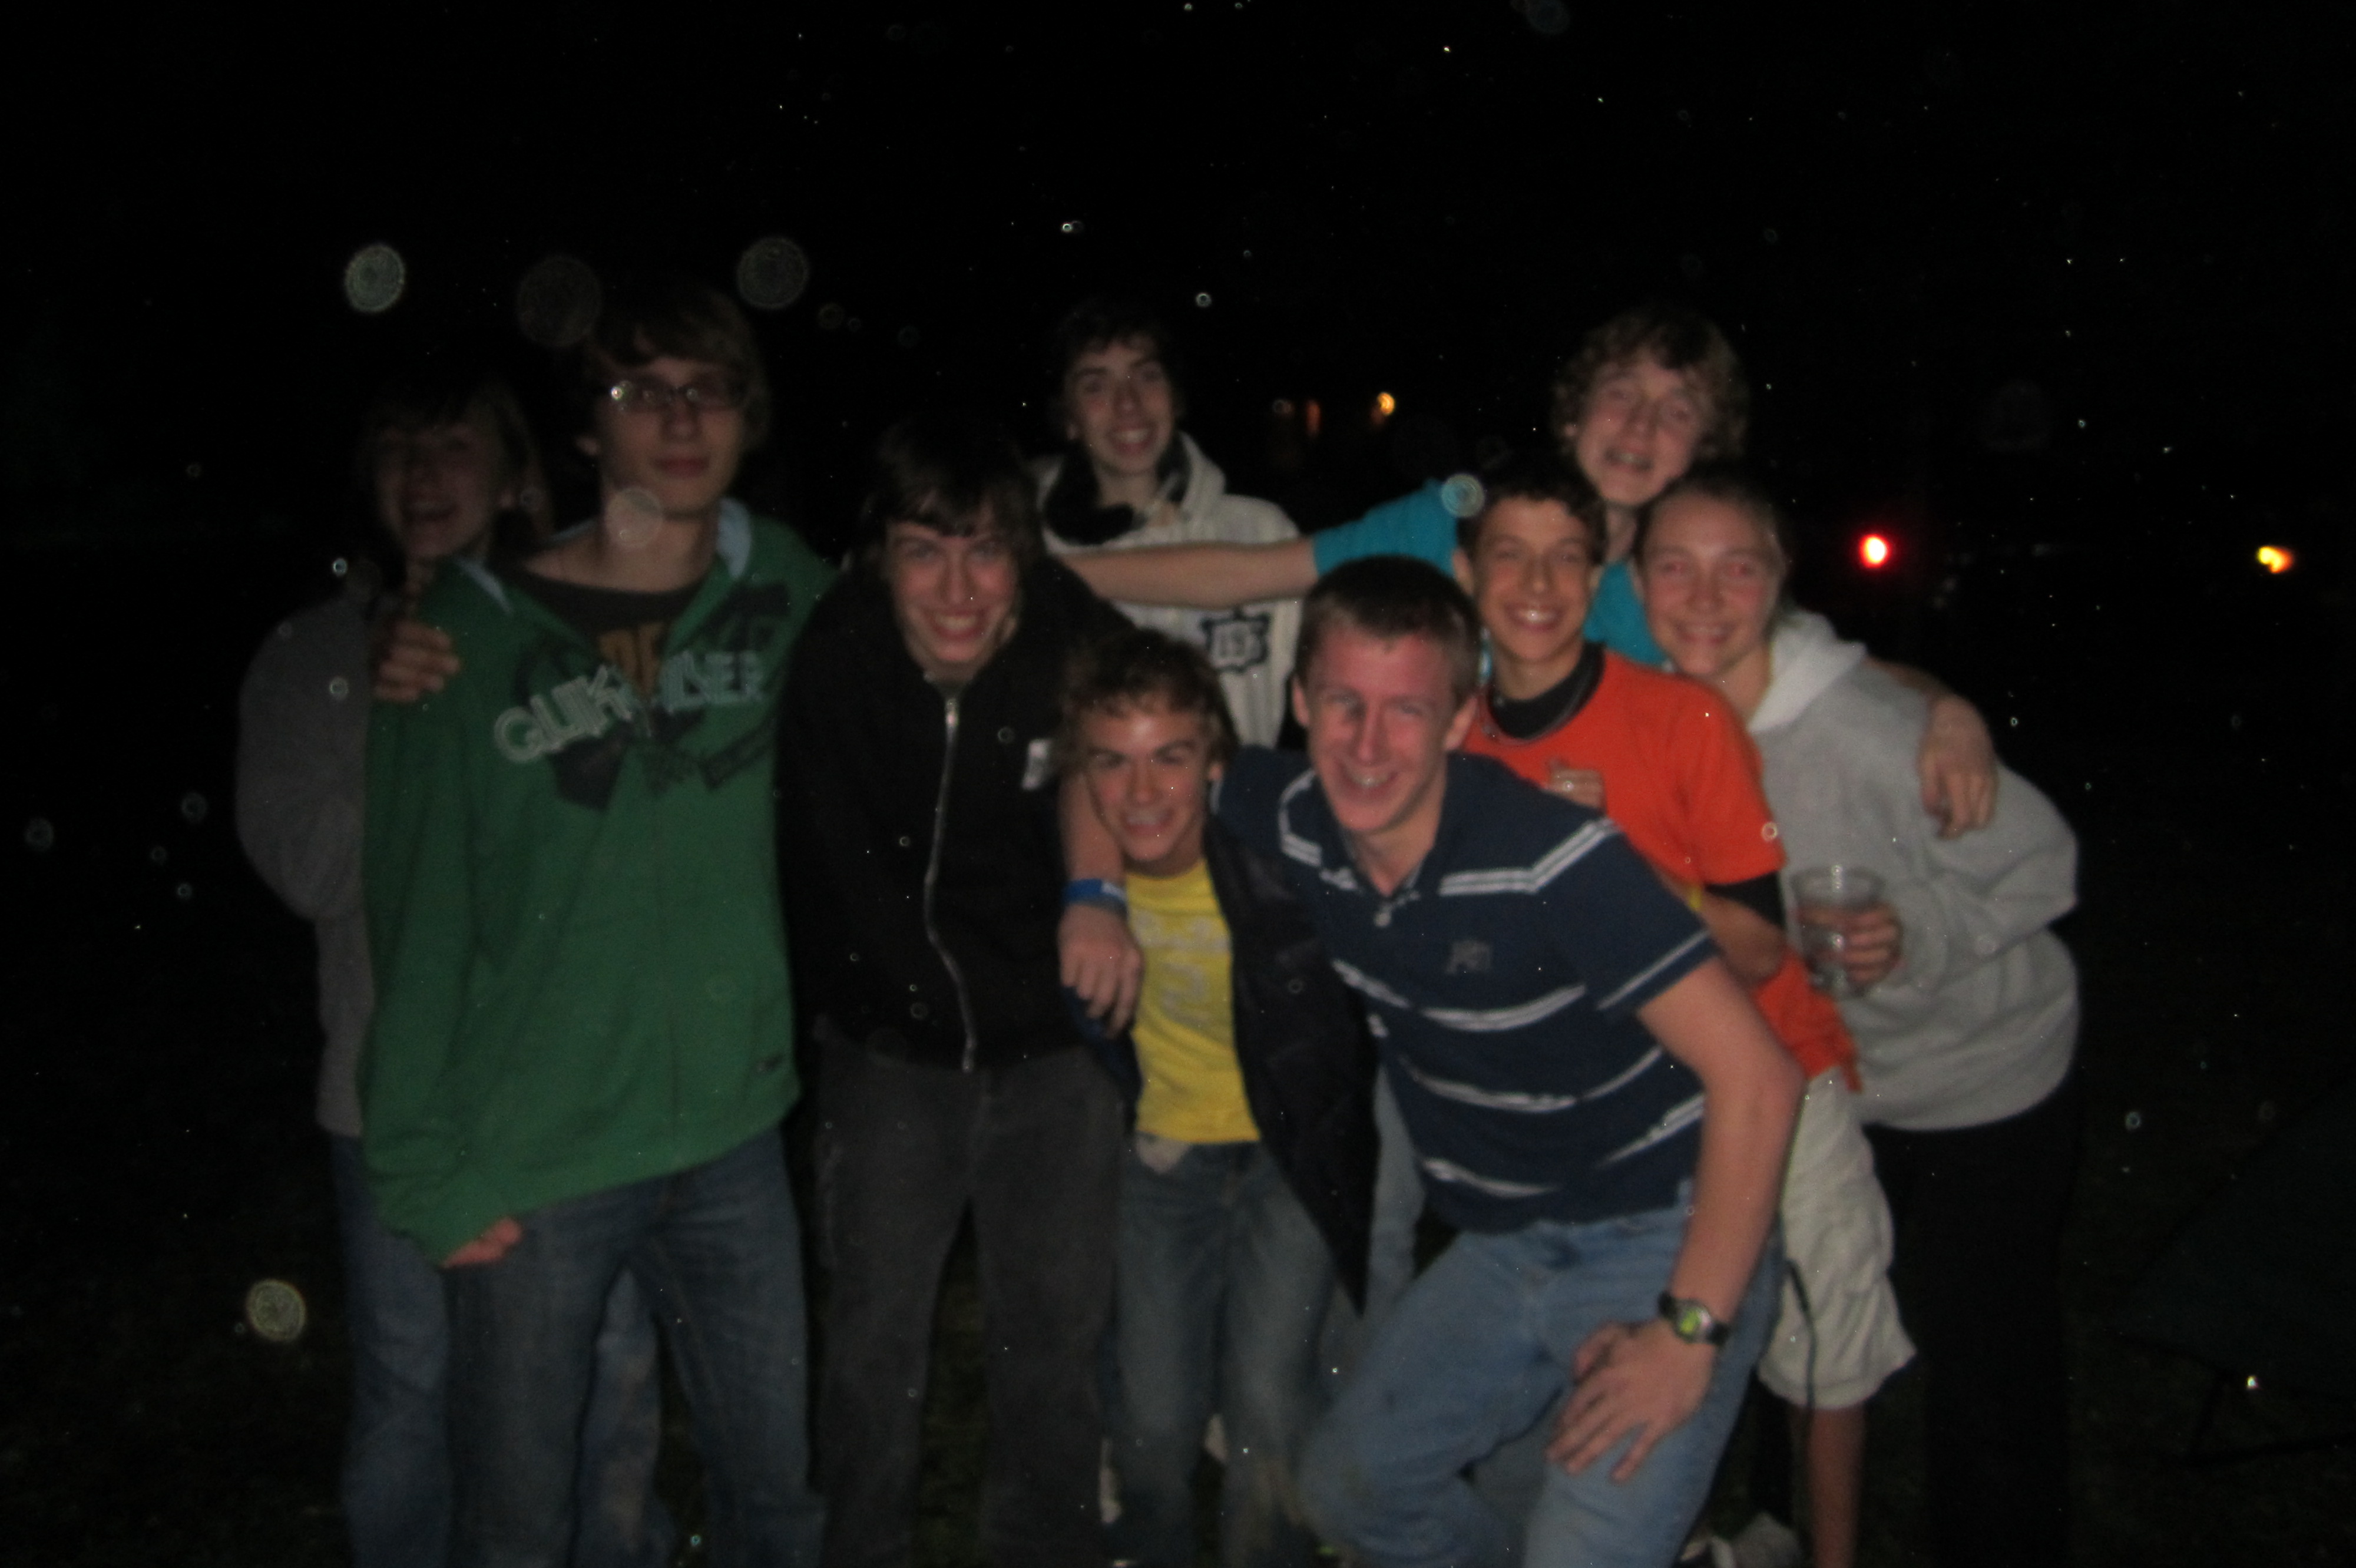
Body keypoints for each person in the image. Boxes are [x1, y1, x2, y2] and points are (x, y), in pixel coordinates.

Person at [1065, 558, 1802, 1568]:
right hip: (1505, 1244)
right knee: (1347, 1494)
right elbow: (1111, 771)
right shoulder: (1297, 816)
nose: (1368, 746)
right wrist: (1093, 897)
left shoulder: (1554, 858)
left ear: (1461, 718)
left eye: (1406, 711)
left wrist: (1687, 1334)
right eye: (1343, 704)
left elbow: (1761, 1078)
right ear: (1299, 701)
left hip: (1660, 1236)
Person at [362, 276, 833, 1568]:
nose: (680, 421)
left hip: (734, 1139)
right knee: (518, 1525)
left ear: (748, 419)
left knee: (778, 1501)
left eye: (710, 390)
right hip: (538, 1161)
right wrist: (421, 1170)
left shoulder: (787, 591)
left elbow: (960, 608)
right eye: (642, 392)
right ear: (586, 428)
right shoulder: (462, 646)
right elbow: (413, 920)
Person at [236, 358, 674, 1568]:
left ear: (519, 478)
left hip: (573, 1098)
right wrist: (407, 717)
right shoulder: (310, 658)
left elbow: (630, 850)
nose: (424, 474)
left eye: (454, 447)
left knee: (608, 1371)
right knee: (413, 1386)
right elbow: (313, 868)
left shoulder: (577, 646)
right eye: (397, 449)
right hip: (393, 1099)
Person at [1453, 453, 1912, 1568]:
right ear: (1468, 575)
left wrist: (1609, 863)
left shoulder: (1682, 714)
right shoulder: (1458, 739)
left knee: (1820, 1351)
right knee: (1647, 1341)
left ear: (1594, 575)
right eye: (1509, 556)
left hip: (1770, 1069)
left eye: (1565, 558)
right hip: (1616, 1104)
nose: (1536, 585)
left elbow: (1759, 947)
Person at [1054, 300, 1997, 836]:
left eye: (1675, 412)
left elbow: (1822, 674)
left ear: (1703, 449)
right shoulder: (1457, 519)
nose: (1639, 427)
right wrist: (1062, 572)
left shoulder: (1688, 594)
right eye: (1620, 396)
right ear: (1573, 414)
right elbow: (1253, 570)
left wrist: (1948, 710)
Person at [1635, 468, 2081, 1568]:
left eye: (1738, 567)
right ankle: (1783, 1522)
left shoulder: (1870, 730)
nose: (1704, 598)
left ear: (1781, 578)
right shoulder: (1660, 718)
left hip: (1984, 1075)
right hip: (1831, 1076)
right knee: (1801, 1302)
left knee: (1982, 1361)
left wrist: (1917, 931)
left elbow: (2046, 861)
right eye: (1675, 568)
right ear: (1635, 585)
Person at [777, 413, 1133, 1568]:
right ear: (880, 557)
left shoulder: (1073, 637)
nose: (957, 589)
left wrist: (1100, 890)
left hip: (1052, 1057)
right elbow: (822, 864)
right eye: (924, 553)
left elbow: (1147, 747)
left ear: (1022, 556)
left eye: (985, 551)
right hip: (890, 1059)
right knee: (872, 1358)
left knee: (1051, 1349)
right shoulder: (836, 656)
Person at [1061, 627, 1378, 1568]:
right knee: (1153, 1419)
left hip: (1288, 1156)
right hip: (1166, 1156)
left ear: (1215, 760)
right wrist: (1087, 894)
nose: (1142, 791)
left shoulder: (1280, 849)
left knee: (1266, 1404)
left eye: (1170, 757)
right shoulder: (1076, 874)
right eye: (1112, 763)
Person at [1038, 296, 1301, 746]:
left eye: (1146, 376)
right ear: (1068, 418)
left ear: (1176, 396)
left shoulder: (1261, 533)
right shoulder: (1036, 547)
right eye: (1096, 386)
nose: (1128, 404)